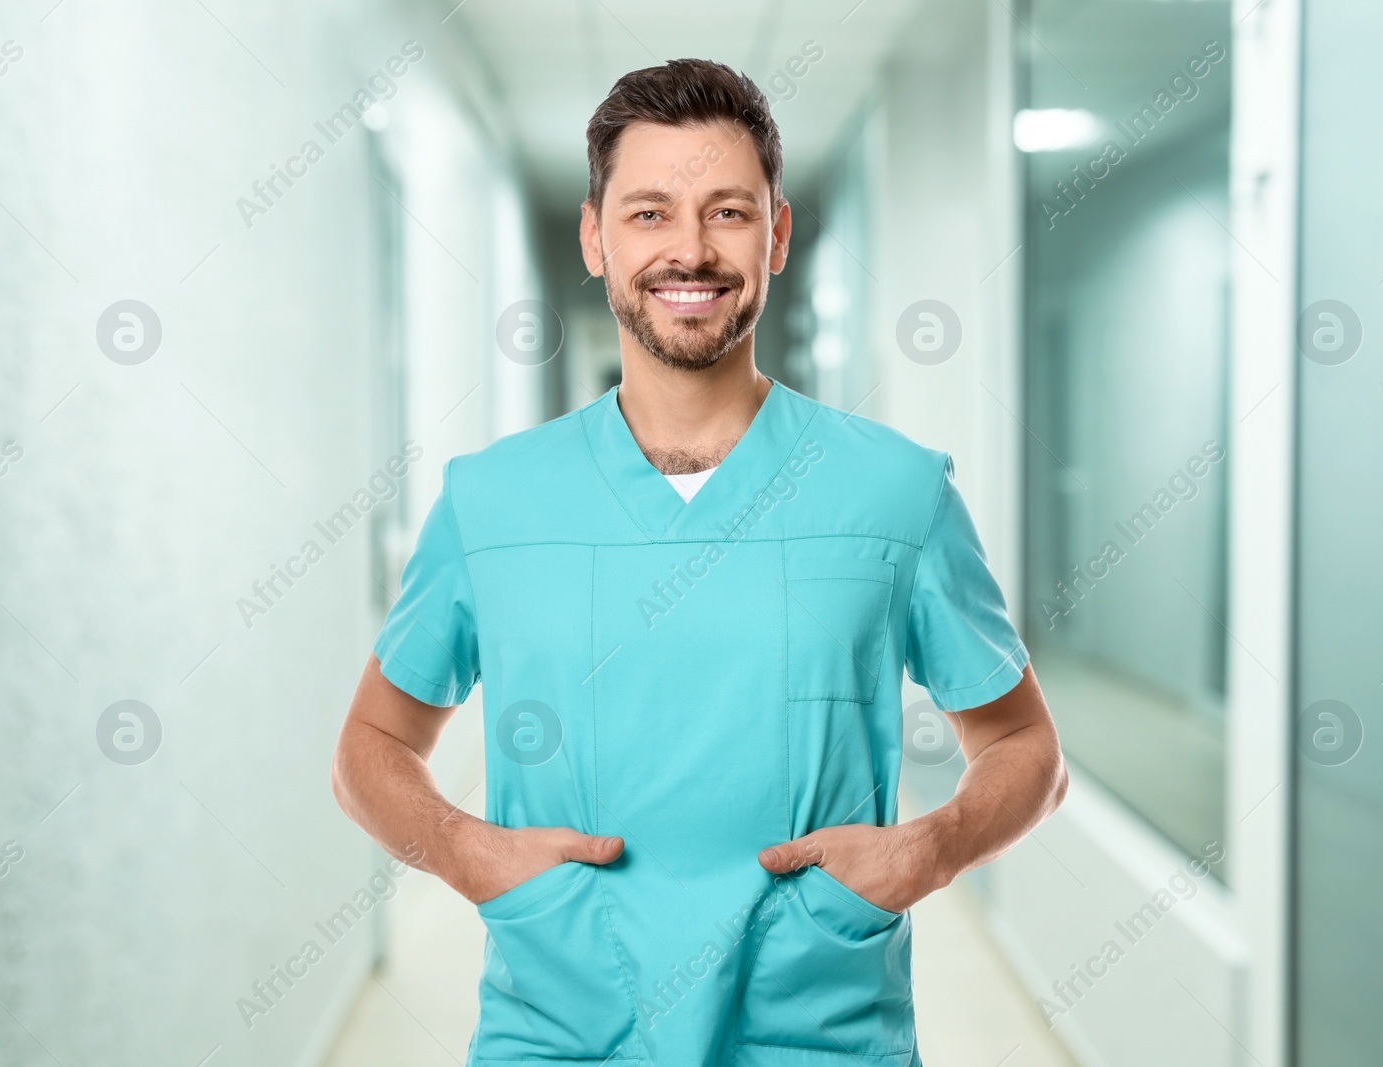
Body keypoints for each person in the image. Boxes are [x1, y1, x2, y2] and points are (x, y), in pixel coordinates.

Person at [331, 57, 1068, 1067]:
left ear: (776, 233)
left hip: (818, 1029)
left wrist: (927, 849)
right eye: (648, 213)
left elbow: (1026, 744)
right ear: (593, 237)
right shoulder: (490, 500)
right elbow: (372, 743)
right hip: (558, 1031)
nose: (689, 249)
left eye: (726, 212)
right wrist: (470, 852)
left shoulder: (896, 493)